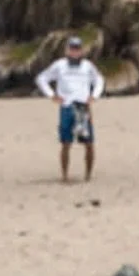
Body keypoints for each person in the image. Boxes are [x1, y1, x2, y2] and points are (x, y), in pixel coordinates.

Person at [36, 35, 104, 182]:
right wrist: (52, 95)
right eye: (72, 49)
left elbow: (99, 80)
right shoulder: (59, 65)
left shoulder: (87, 66)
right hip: (66, 106)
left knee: (88, 143)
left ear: (81, 51)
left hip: (82, 107)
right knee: (66, 143)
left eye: (77, 49)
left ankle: (88, 175)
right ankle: (65, 176)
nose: (75, 52)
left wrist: (94, 96)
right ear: (67, 50)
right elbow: (42, 78)